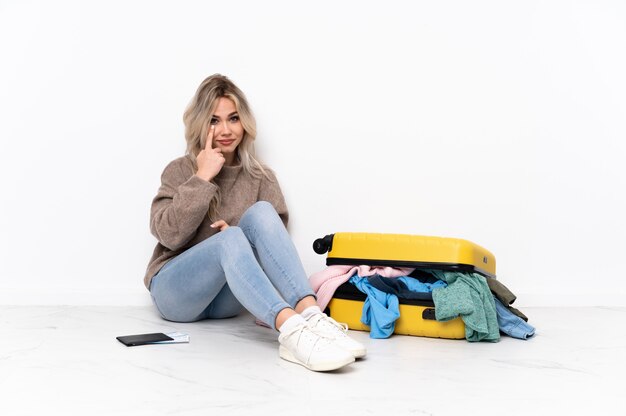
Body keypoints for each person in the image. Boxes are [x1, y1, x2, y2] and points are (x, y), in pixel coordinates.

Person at [144, 74, 366, 372]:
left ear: (244, 123)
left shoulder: (261, 177)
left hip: (228, 301)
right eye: (213, 120)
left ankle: (313, 319)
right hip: (176, 293)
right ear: (200, 124)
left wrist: (236, 241)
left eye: (233, 118)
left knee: (262, 211)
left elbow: (273, 256)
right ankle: (291, 333)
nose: (225, 130)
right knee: (231, 237)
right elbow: (169, 235)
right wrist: (202, 178)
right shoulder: (181, 170)